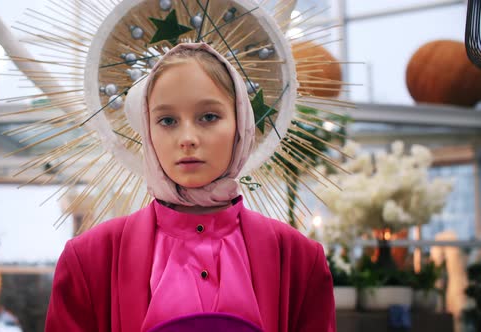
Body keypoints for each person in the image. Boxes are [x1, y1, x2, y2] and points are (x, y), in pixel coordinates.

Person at [45, 42, 335, 332]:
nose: (187, 138)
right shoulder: (89, 260)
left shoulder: (300, 261)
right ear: (148, 131)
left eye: (208, 117)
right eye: (167, 120)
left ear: (241, 124)